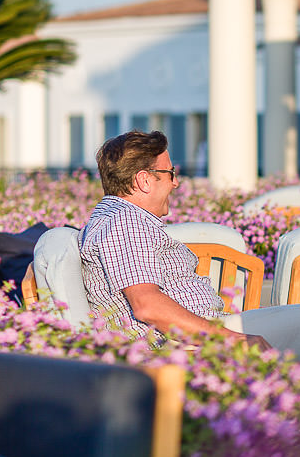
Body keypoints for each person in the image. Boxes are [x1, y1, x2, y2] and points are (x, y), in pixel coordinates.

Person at [80, 130, 268, 348]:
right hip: (187, 344)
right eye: (171, 173)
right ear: (144, 180)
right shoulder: (124, 222)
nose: (176, 183)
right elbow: (147, 305)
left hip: (197, 333)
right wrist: (232, 339)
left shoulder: (123, 219)